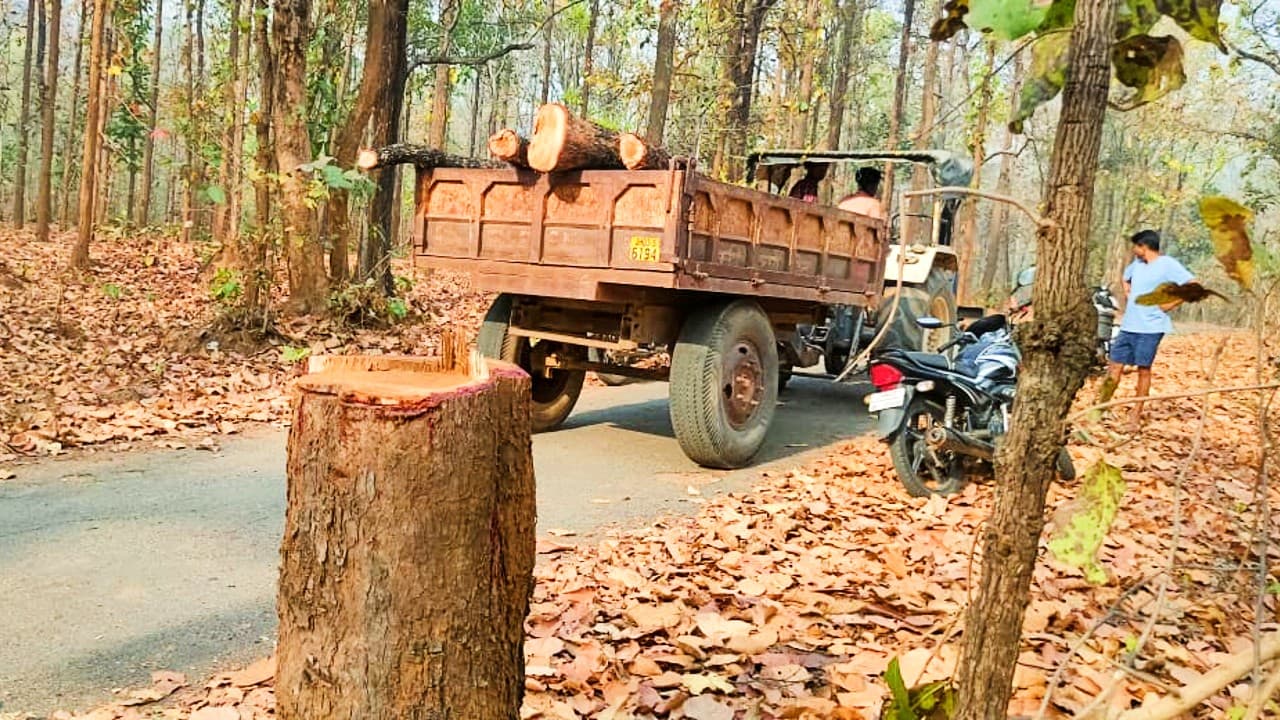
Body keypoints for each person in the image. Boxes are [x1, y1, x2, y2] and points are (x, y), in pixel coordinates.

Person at [1100, 229, 1196, 429]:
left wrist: (1171, 304)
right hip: (1128, 326)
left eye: (1136, 246)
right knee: (1114, 366)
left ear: (1144, 247)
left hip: (1151, 327)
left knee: (1143, 370)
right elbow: (1126, 278)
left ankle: (1136, 415)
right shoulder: (1137, 265)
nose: (1134, 250)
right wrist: (1128, 291)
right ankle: (1101, 409)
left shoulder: (1167, 265)